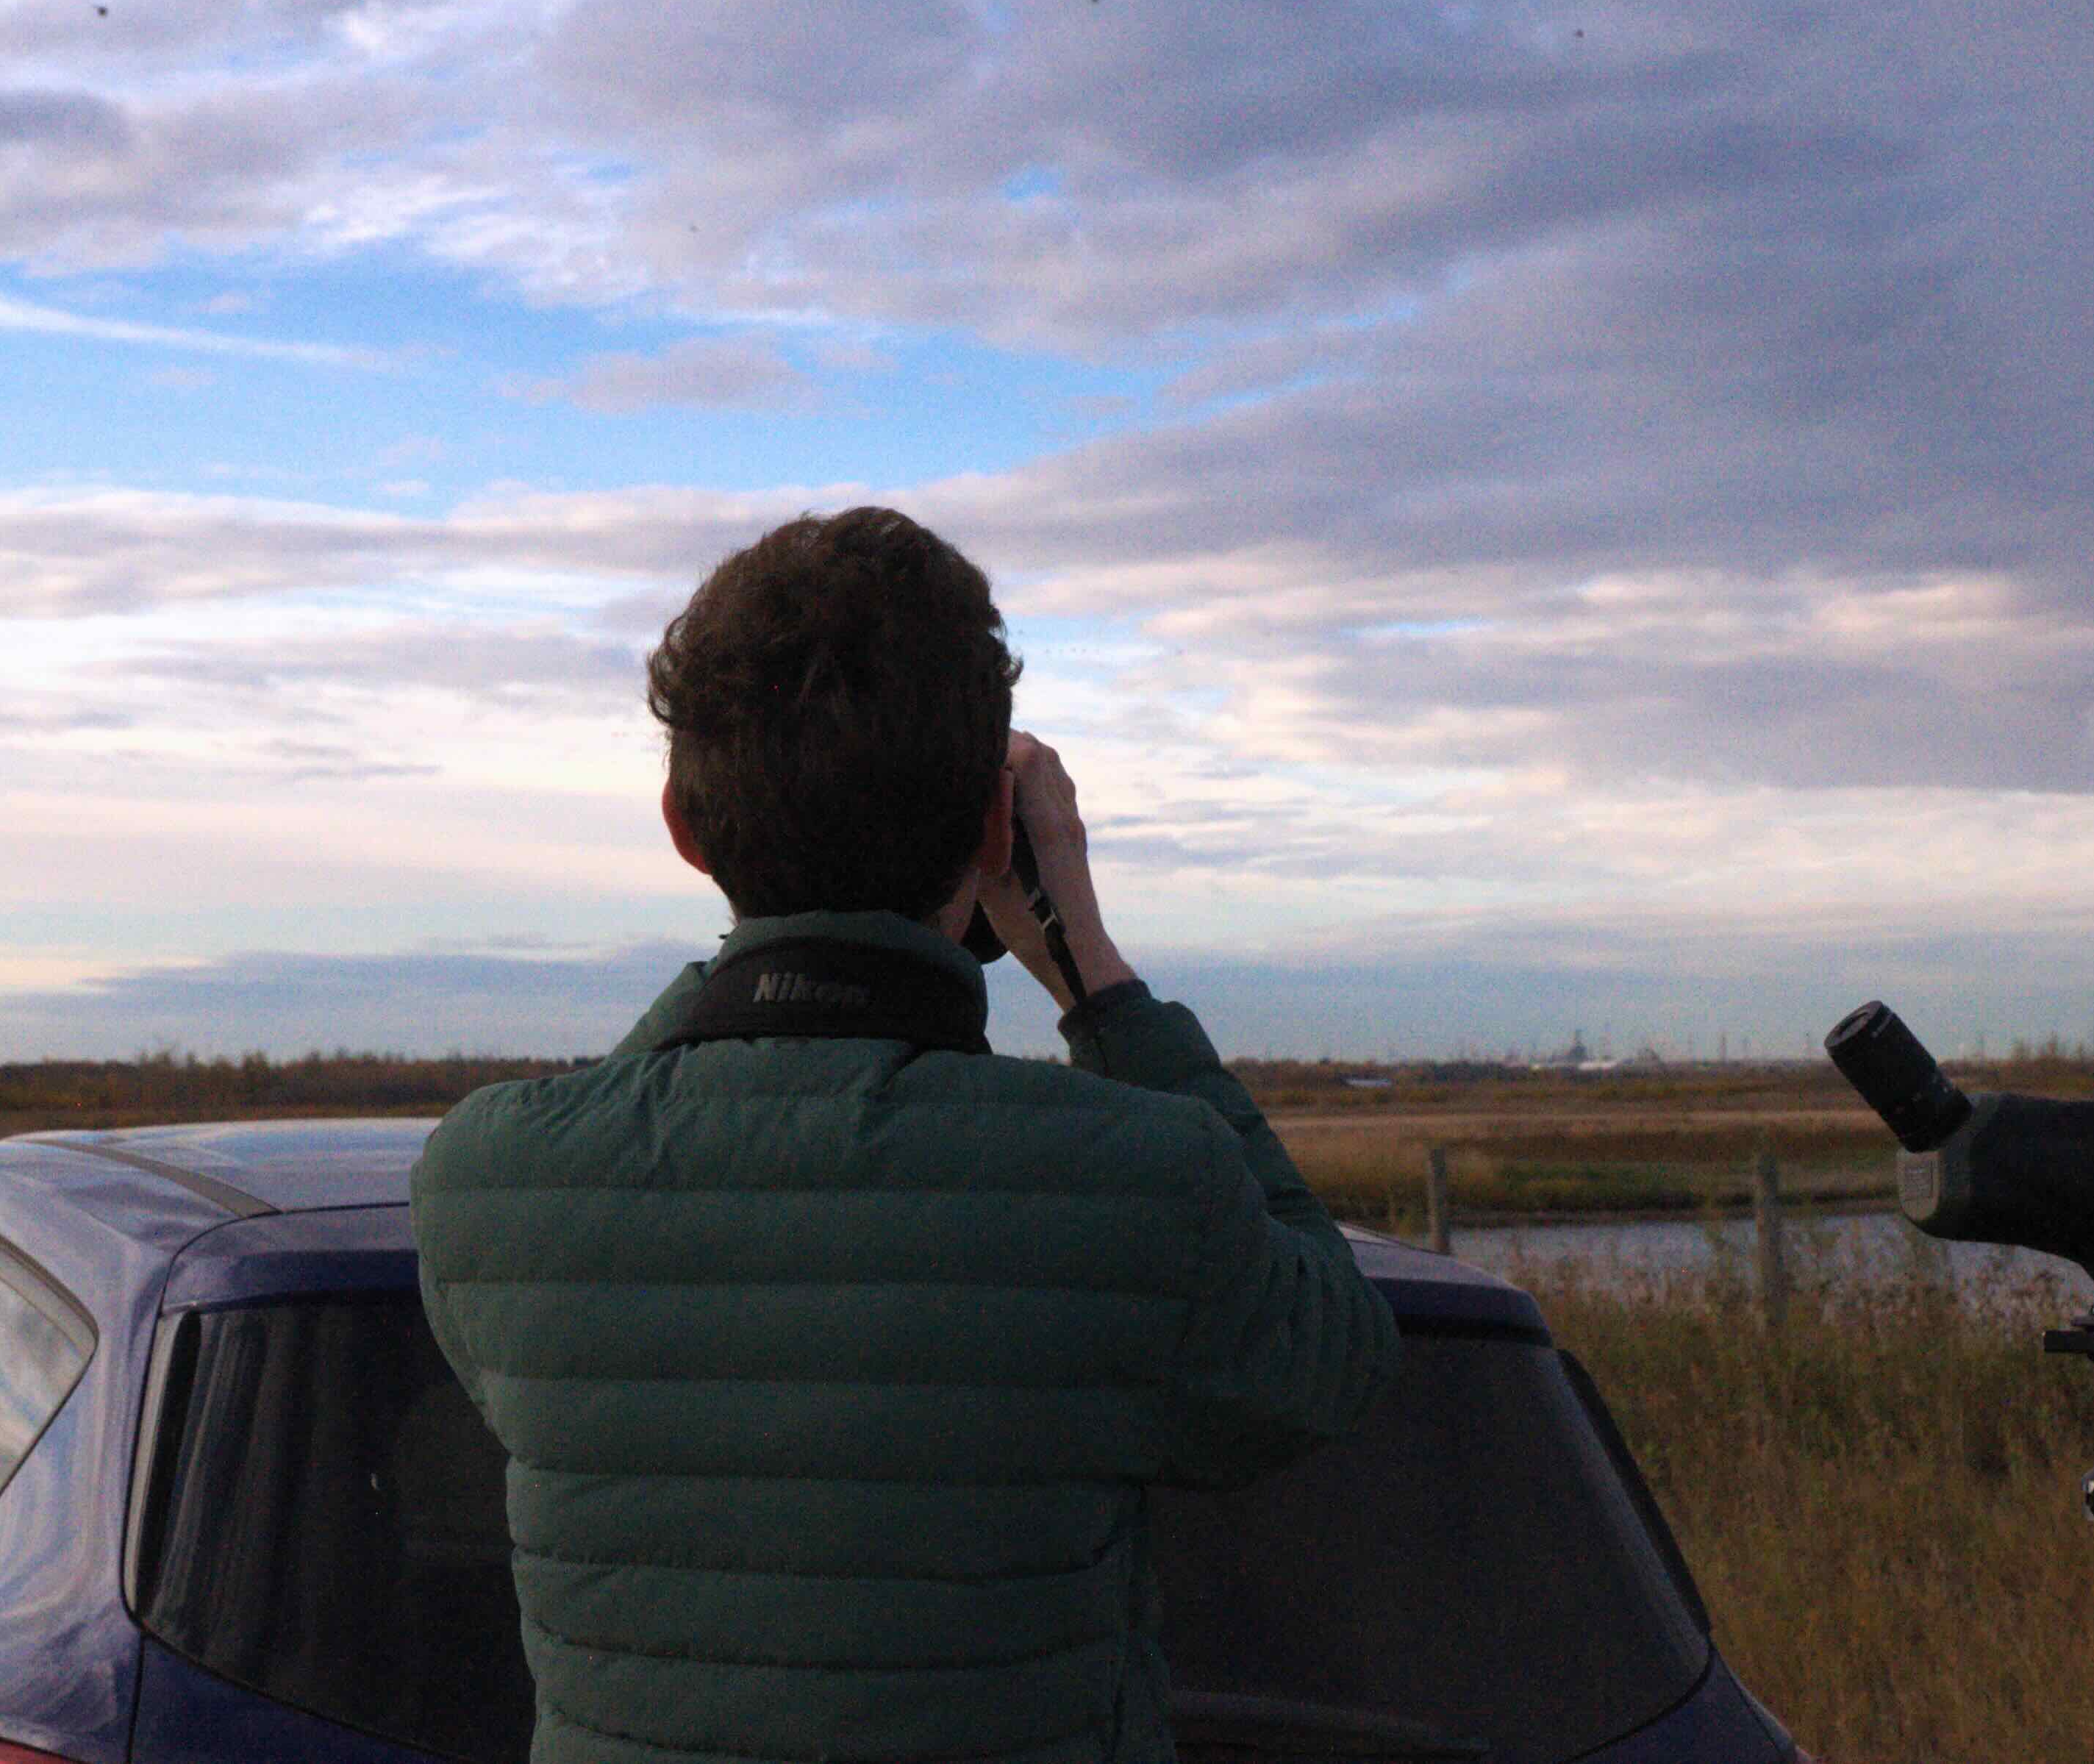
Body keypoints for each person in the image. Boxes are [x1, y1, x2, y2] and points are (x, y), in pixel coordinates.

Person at [412, 506, 1397, 1764]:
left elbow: (646, 1132)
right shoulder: (1137, 1179)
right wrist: (1091, 972)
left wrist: (746, 983)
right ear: (994, 831)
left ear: (683, 829)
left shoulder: (489, 1182)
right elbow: (1332, 1357)